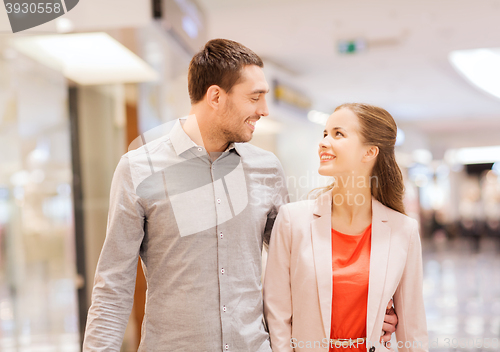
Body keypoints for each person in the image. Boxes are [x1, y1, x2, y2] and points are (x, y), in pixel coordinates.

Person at [82, 39, 397, 351]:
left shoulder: (267, 169)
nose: (264, 110)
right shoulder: (138, 169)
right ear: (216, 97)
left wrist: (366, 307)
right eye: (255, 97)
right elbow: (113, 286)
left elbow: (301, 264)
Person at [263, 103, 428, 352]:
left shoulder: (402, 230)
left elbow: (413, 330)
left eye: (338, 134)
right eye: (325, 134)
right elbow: (277, 316)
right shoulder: (292, 221)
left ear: (370, 152)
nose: (324, 142)